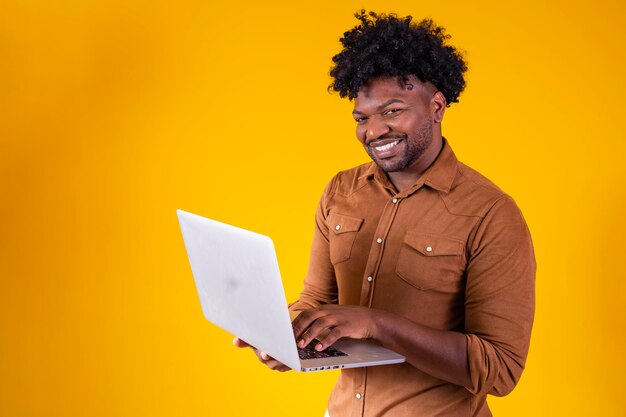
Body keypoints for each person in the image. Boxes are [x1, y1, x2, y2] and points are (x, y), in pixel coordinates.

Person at [235, 10, 535, 417]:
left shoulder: (490, 213)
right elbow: (317, 300)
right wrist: (286, 338)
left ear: (436, 106)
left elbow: (499, 369)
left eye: (392, 111)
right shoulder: (341, 191)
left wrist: (378, 324)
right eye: (362, 117)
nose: (373, 131)